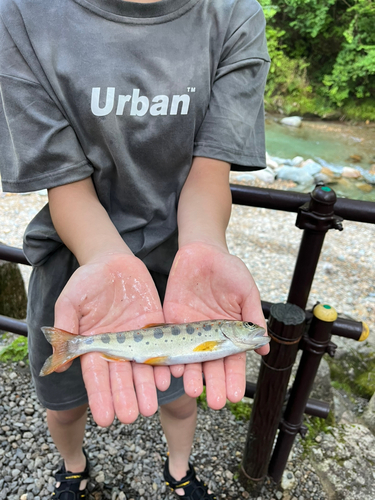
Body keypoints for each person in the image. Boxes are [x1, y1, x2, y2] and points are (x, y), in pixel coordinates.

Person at [0, 0, 271, 498]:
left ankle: (179, 470)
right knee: (63, 402)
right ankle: (74, 468)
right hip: (73, 267)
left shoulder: (236, 15)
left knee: (181, 396)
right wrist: (105, 259)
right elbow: (65, 183)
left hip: (181, 266)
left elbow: (210, 172)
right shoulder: (18, 14)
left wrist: (207, 247)